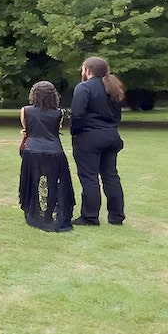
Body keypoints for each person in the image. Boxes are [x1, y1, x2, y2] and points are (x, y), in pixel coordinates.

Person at [70, 56, 125, 226]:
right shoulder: (113, 87)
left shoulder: (84, 88)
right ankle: (116, 216)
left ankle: (90, 216)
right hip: (111, 135)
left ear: (87, 70)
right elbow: (118, 116)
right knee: (110, 176)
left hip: (89, 137)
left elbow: (77, 115)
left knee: (89, 177)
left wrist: (76, 133)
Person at [19, 81, 76, 232]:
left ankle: (35, 210)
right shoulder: (59, 113)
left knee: (34, 181)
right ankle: (52, 211)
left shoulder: (25, 110)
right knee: (54, 183)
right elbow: (56, 130)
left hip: (32, 150)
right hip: (55, 151)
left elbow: (26, 129)